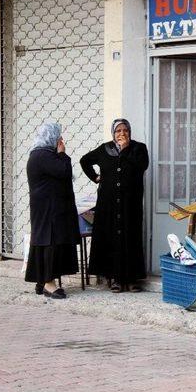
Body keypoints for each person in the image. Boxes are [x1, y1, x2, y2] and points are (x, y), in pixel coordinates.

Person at [80, 118, 149, 293]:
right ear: (113, 133)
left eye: (125, 130)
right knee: (112, 239)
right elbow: (84, 161)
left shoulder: (138, 149)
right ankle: (116, 279)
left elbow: (142, 166)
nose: (122, 134)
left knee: (130, 238)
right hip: (108, 204)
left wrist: (125, 151)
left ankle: (132, 279)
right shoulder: (105, 149)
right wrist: (95, 178)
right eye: (118, 131)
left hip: (130, 203)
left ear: (130, 132)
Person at [25, 122, 80, 299]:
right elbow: (64, 171)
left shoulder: (39, 154)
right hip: (49, 210)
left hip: (47, 208)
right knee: (50, 243)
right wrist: (63, 154)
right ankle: (49, 284)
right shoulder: (43, 155)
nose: (61, 140)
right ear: (52, 137)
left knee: (44, 242)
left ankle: (41, 281)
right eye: (58, 137)